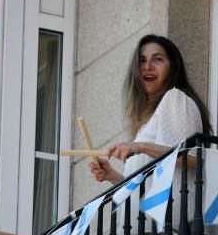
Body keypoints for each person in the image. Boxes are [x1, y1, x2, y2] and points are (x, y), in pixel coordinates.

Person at [89, 35, 211, 187]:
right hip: (147, 212)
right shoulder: (146, 123)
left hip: (172, 210)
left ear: (173, 67)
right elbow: (140, 190)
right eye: (142, 61)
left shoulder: (176, 98)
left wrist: (141, 147)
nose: (147, 66)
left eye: (157, 59)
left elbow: (194, 158)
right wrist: (112, 176)